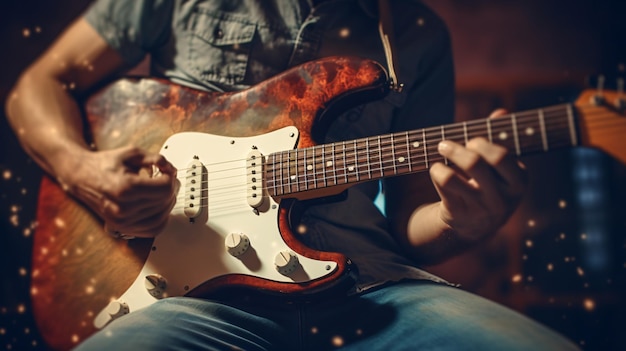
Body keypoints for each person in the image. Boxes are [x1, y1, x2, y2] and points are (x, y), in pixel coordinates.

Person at [5, 0, 580, 350]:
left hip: (372, 291)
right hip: (195, 298)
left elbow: (411, 222)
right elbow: (38, 85)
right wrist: (85, 172)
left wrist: (461, 220)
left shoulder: (415, 32)